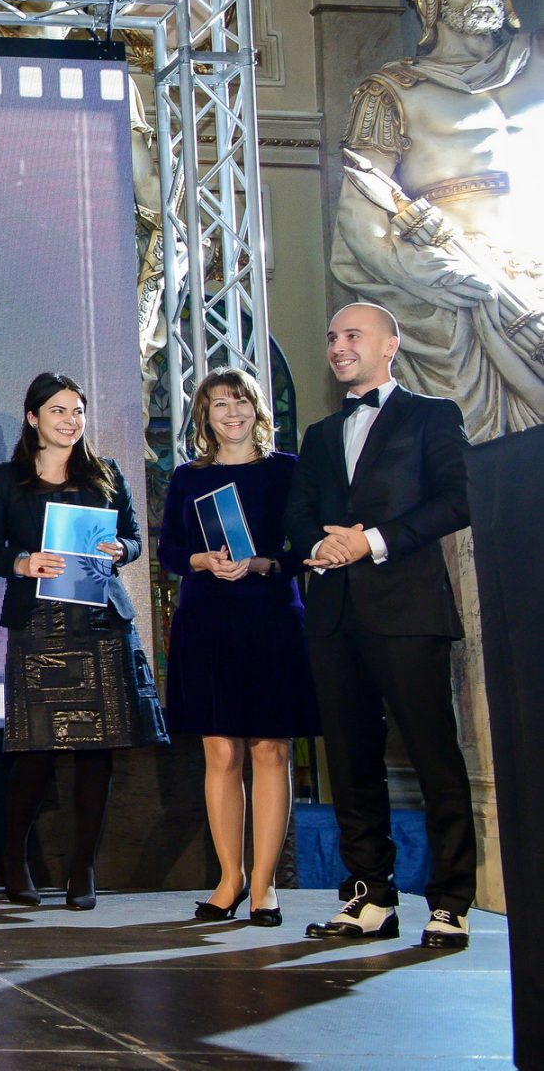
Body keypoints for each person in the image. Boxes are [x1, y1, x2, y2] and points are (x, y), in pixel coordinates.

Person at [286, 303, 476, 949]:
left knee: (433, 754)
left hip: (408, 612)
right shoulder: (318, 435)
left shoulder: (432, 415)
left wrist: (370, 541)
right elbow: (298, 514)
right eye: (331, 337)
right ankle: (370, 894)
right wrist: (322, 545)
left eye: (353, 335)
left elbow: (458, 498)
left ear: (390, 345)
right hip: (334, 616)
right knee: (350, 760)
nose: (338, 346)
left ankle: (451, 901)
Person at [0, 372, 166, 911]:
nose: (70, 420)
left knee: (95, 751)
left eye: (77, 411)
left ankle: (83, 868)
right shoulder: (5, 479)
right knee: (35, 751)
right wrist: (23, 562)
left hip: (100, 623)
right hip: (38, 624)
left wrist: (121, 550)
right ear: (33, 418)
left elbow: (134, 537)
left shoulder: (105, 474)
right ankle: (14, 856)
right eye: (58, 411)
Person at [158, 368, 318, 926]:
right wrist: (200, 561)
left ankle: (265, 886)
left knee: (270, 749)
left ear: (257, 409)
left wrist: (264, 564)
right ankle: (230, 879)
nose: (232, 413)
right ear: (204, 416)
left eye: (240, 401)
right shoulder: (187, 477)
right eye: (219, 404)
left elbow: (307, 547)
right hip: (207, 621)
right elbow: (169, 550)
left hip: (271, 618)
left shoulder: (288, 471)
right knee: (221, 752)